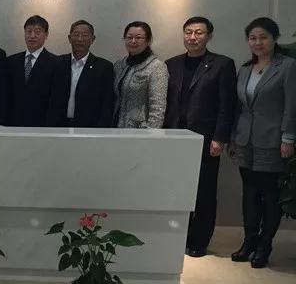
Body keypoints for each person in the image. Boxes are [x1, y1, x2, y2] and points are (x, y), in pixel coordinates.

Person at [164, 16, 236, 257]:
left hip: (205, 138)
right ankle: (177, 236)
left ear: (209, 36)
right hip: (174, 137)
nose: (192, 37)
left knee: (204, 190)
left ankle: (199, 241)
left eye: (198, 33)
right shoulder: (171, 64)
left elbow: (227, 105)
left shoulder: (222, 64)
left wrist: (220, 138)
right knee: (176, 188)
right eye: (188, 32)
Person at [230, 17, 295, 268]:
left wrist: (288, 138)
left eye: (263, 37)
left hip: (273, 140)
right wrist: (233, 137)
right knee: (249, 193)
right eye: (253, 38)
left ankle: (264, 245)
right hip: (245, 140)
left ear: (274, 39)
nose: (258, 43)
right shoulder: (246, 68)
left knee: (269, 194)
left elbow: (291, 106)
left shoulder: (287, 66)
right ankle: (249, 241)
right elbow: (239, 108)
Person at [47, 20, 115, 128]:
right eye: (76, 35)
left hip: (89, 128)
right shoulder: (57, 64)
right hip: (58, 126)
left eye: (85, 35)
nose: (80, 39)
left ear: (92, 39)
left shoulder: (104, 67)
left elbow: (107, 103)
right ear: (69, 38)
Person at [113, 21, 168, 129]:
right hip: (117, 127)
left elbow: (158, 107)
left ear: (148, 40)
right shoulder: (119, 65)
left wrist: (151, 133)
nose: (133, 41)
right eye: (129, 37)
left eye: (138, 38)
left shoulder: (156, 67)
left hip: (140, 130)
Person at [6, 15, 57, 127]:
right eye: (29, 31)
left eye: (37, 32)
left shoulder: (55, 63)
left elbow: (55, 100)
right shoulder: (11, 61)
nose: (32, 36)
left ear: (46, 34)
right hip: (13, 123)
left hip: (42, 125)